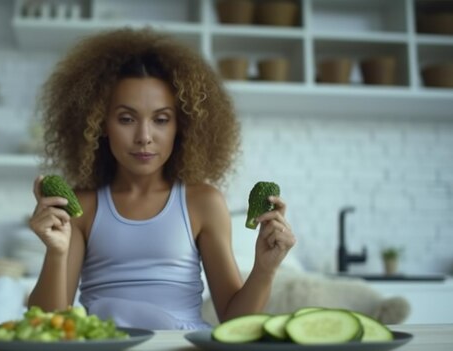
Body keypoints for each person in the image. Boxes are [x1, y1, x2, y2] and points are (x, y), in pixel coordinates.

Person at [27, 28, 296, 330]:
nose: (144, 137)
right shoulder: (81, 207)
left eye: (161, 119)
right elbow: (47, 325)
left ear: (181, 126)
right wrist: (55, 251)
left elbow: (234, 323)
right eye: (127, 119)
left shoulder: (203, 203)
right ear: (99, 124)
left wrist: (264, 269)